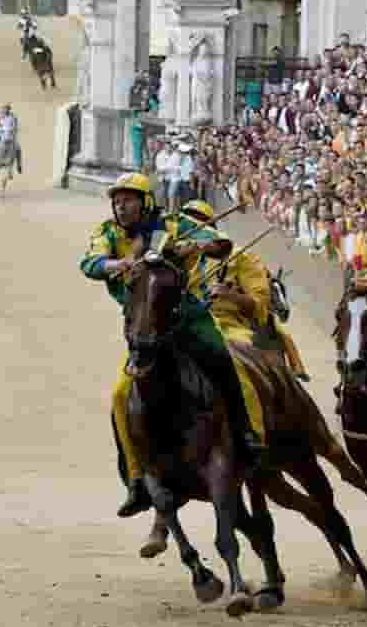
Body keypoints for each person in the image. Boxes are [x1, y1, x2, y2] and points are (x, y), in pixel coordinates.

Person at [80, 175, 268, 519]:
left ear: (145, 201)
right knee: (122, 393)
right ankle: (137, 478)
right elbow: (89, 263)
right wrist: (114, 264)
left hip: (188, 316)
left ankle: (245, 434)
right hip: (144, 327)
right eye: (117, 201)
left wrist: (196, 247)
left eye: (128, 200)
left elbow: (220, 243)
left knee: (222, 360)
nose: (121, 207)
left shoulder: (174, 223)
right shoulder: (107, 233)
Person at [182, 200, 310, 382]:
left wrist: (230, 295)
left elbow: (259, 306)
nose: (192, 230)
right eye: (187, 224)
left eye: (199, 224)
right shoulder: (172, 254)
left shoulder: (241, 257)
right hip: (180, 322)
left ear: (212, 228)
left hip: (226, 325)